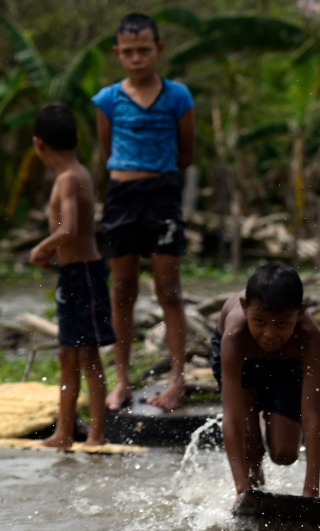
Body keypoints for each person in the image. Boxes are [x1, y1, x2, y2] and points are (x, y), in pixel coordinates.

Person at [93, 12, 196, 413]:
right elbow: (107, 151)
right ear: (118, 53)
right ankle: (121, 381)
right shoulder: (107, 99)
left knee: (169, 291)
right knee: (122, 291)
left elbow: (187, 151)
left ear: (159, 50)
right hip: (122, 196)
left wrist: (157, 175)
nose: (137, 58)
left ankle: (176, 380)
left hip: (163, 194)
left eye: (144, 50)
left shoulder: (177, 96)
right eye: (129, 52)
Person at [28, 103, 115, 450]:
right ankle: (64, 431)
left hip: (85, 276)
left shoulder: (69, 178)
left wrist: (42, 247)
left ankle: (95, 434)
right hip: (72, 275)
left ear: (39, 145)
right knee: (68, 354)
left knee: (87, 356)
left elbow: (71, 228)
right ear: (77, 139)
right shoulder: (76, 174)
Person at [212, 263, 320, 502]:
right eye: (260, 321)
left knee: (285, 454)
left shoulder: (310, 337)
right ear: (244, 308)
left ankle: (264, 418)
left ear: (301, 312)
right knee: (250, 445)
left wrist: (311, 492)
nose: (270, 334)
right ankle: (253, 491)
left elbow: (312, 414)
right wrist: (242, 491)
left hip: (286, 363)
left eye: (282, 324)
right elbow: (231, 417)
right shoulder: (234, 337)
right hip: (243, 360)